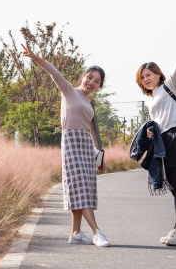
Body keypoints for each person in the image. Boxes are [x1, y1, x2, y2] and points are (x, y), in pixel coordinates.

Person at [21, 43, 110, 247]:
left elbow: (93, 131)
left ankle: (76, 233)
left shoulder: (89, 103)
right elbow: (52, 70)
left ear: (99, 86)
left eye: (97, 81)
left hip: (86, 147)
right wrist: (34, 57)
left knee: (83, 189)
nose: (91, 82)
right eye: (90, 77)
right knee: (79, 188)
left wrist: (100, 157)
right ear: (83, 77)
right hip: (70, 143)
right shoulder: (69, 91)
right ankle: (97, 232)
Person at [135, 45, 176, 246]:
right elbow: (158, 121)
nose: (146, 79)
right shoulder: (153, 98)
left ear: (158, 75)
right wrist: (151, 131)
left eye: (149, 74)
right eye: (143, 77)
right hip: (164, 141)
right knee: (173, 186)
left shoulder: (168, 86)